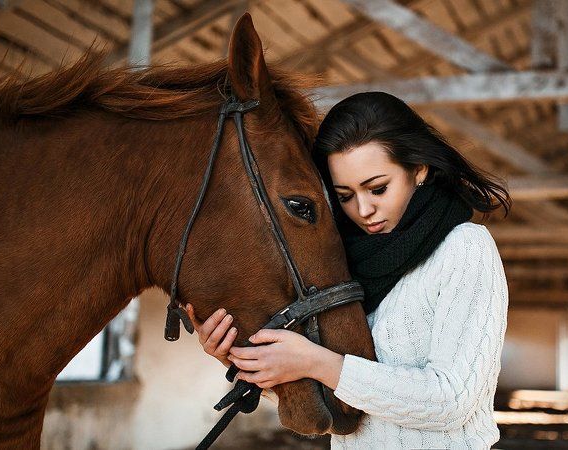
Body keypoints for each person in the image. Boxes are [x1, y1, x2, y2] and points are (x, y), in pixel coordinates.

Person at [185, 91, 511, 449]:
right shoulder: (340, 265)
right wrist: (247, 360)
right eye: (345, 195)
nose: (364, 209)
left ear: (419, 169)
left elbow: (453, 401)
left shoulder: (464, 248)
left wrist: (317, 362)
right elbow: (330, 404)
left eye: (377, 188)